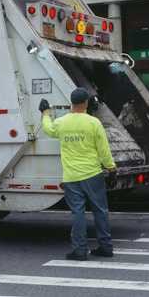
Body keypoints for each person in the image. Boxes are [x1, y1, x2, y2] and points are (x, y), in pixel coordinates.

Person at [39, 87, 117, 261]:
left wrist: (45, 113)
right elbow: (103, 150)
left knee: (78, 213)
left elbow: (48, 129)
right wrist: (111, 169)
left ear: (71, 103)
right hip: (93, 174)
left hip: (72, 178)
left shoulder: (62, 122)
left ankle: (80, 251)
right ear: (86, 103)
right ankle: (106, 247)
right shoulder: (93, 123)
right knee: (101, 211)